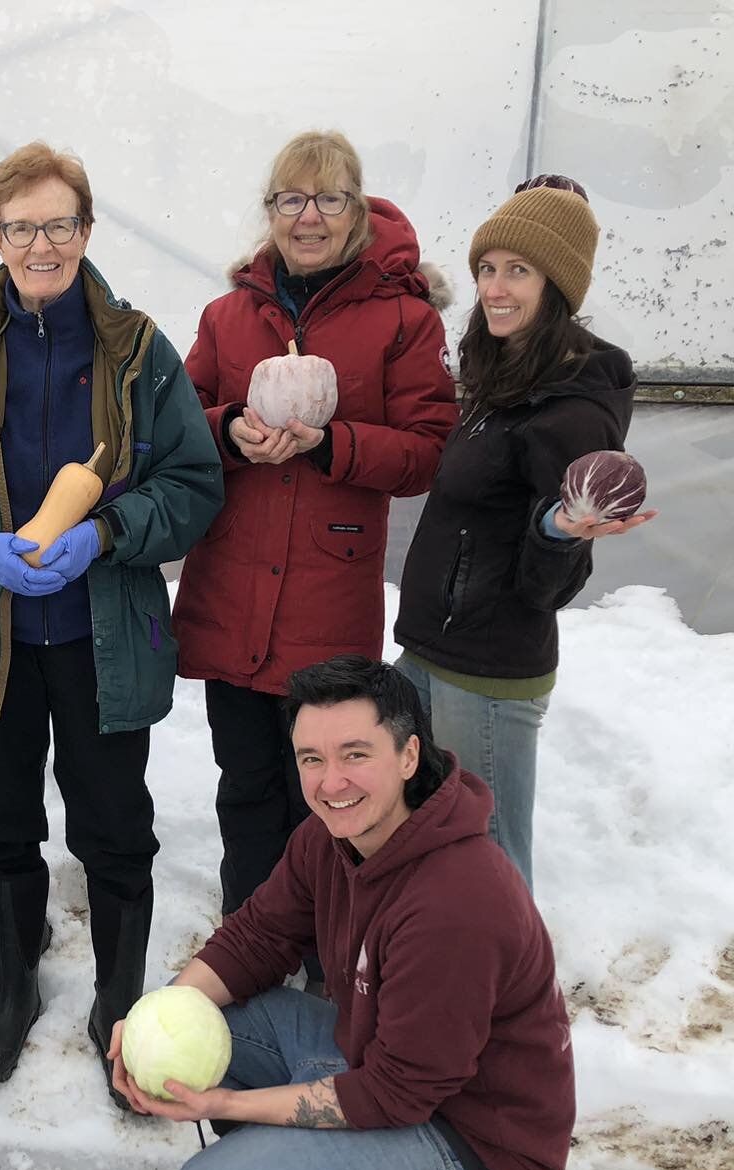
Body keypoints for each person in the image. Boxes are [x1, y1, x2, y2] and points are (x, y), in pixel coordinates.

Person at [0, 141, 223, 1102]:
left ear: (85, 230)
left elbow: (194, 485)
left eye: (58, 224)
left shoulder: (140, 353)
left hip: (101, 632)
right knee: (2, 823)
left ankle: (118, 993)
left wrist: (108, 532)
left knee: (114, 824)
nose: (41, 243)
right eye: (21, 226)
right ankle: (16, 984)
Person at [110, 656, 574, 1170]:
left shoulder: (455, 901)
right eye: (312, 758)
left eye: (356, 754)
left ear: (409, 754)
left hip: (475, 1139)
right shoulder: (333, 838)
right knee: (221, 1022)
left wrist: (227, 1109)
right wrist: (157, 1019)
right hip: (390, 1064)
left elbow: (397, 1094)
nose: (331, 783)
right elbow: (259, 936)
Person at [173, 130, 458, 934]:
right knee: (247, 782)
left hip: (327, 599)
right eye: (291, 200)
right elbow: (174, 425)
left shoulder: (403, 320)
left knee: (329, 796)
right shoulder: (228, 316)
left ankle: (326, 952)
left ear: (355, 210)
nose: (309, 217)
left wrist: (334, 443)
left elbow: (428, 449)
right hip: (233, 591)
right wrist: (229, 432)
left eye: (328, 199)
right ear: (270, 213)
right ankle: (248, 940)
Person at [394, 176, 655, 891]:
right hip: (435, 647)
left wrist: (561, 528)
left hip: (487, 669)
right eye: (488, 267)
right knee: (433, 840)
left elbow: (550, 586)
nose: (496, 287)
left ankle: (511, 1001)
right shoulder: (506, 373)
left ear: (558, 284)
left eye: (520, 270)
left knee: (492, 858)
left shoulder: (573, 408)